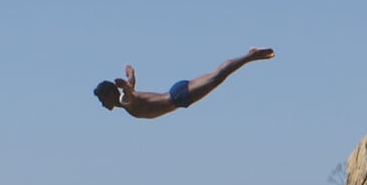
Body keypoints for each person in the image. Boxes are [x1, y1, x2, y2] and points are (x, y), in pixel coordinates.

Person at [93, 47, 275, 119]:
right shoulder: (126, 97)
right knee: (217, 74)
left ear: (110, 95)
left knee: (218, 77)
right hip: (176, 93)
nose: (102, 104)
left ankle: (250, 56)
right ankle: (249, 56)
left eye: (102, 100)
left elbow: (130, 94)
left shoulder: (125, 100)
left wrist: (125, 85)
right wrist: (130, 74)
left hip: (178, 98)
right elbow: (131, 84)